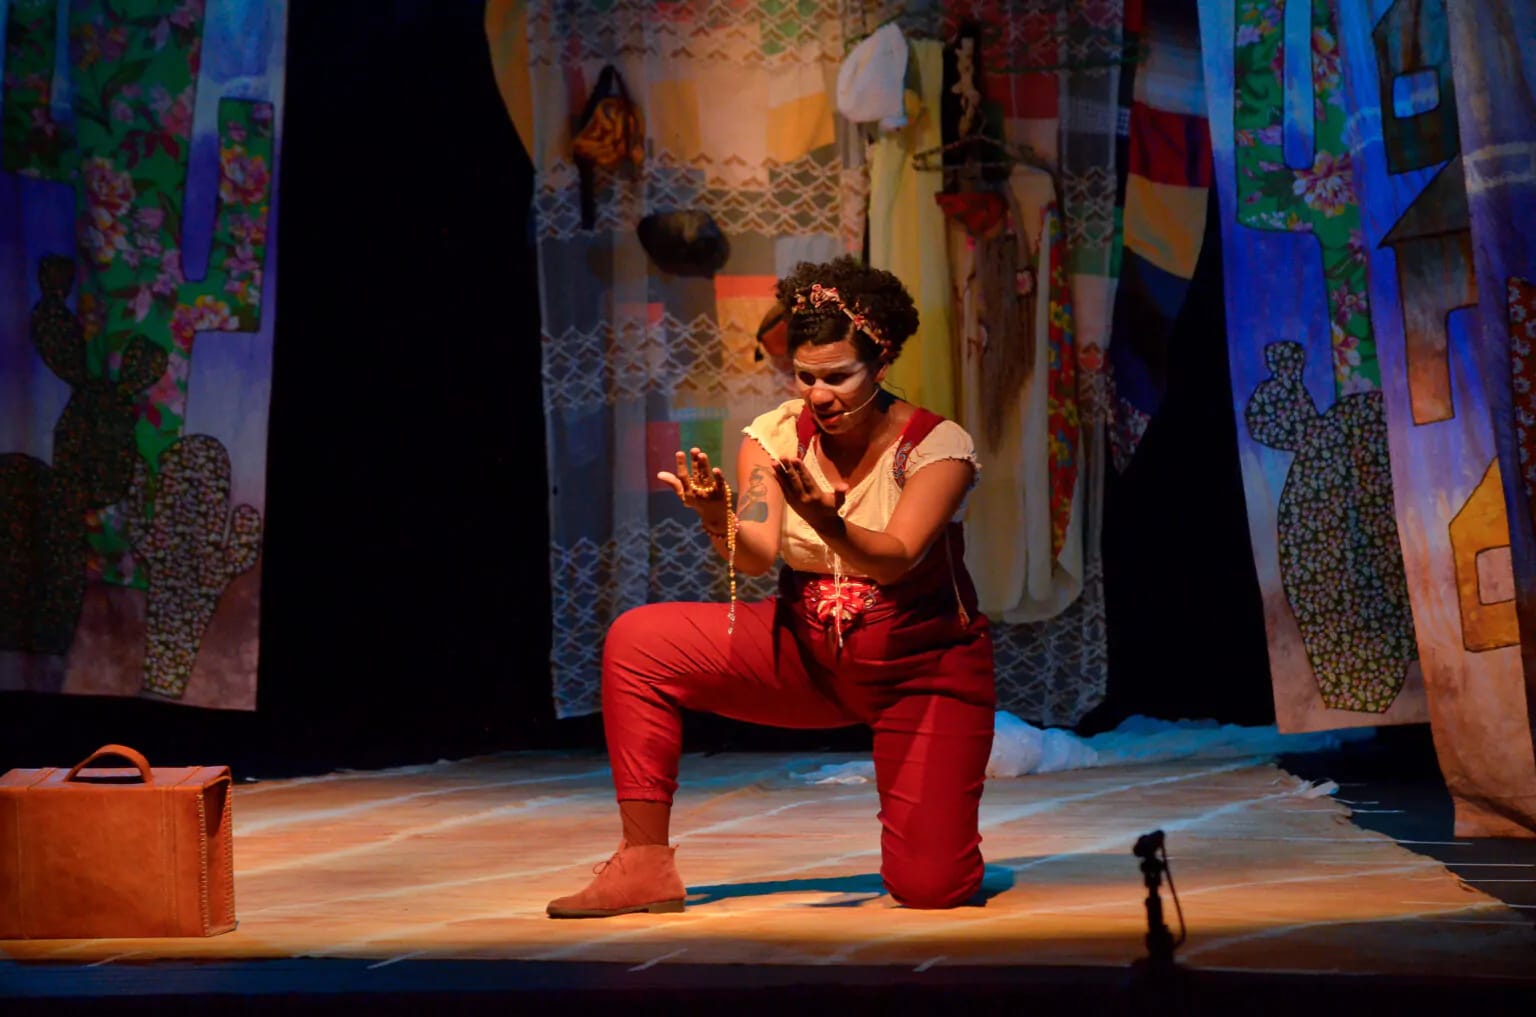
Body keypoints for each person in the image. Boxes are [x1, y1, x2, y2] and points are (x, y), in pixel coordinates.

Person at [546, 257, 996, 918]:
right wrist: (717, 515)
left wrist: (828, 521)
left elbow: (896, 559)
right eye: (805, 376)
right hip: (809, 659)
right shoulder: (776, 435)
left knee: (930, 888)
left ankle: (936, 815)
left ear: (882, 363)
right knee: (638, 642)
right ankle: (643, 863)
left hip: (922, 674)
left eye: (838, 377)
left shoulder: (937, 446)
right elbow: (755, 555)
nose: (818, 394)